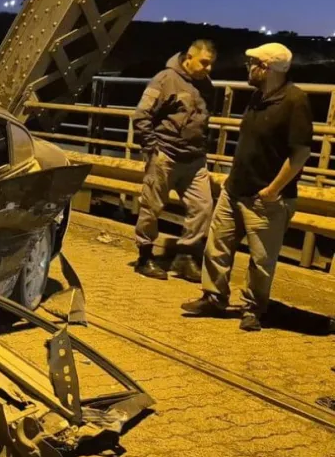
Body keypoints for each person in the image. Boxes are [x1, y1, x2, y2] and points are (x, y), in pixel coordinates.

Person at [181, 43, 313, 331]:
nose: (248, 68)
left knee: (261, 259)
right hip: (235, 189)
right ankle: (214, 297)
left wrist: (273, 190)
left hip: (265, 197)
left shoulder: (295, 101)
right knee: (217, 246)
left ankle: (254, 308)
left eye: (252, 63)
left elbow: (300, 153)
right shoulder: (258, 96)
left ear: (266, 68)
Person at [132, 40, 217, 282]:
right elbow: (141, 115)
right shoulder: (165, 79)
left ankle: (185, 256)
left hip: (194, 159)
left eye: (211, 64)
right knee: (152, 207)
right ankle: (145, 257)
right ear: (189, 57)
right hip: (166, 154)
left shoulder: (206, 85)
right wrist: (152, 148)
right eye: (204, 63)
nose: (208, 69)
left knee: (203, 207)